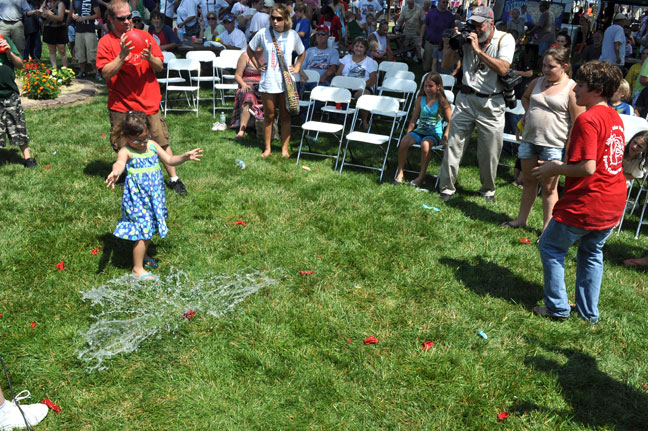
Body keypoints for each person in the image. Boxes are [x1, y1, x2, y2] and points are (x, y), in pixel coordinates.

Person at [532, 60, 625, 323]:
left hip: (588, 202)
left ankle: (557, 308)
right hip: (613, 203)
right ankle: (588, 314)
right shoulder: (614, 116)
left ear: (597, 90)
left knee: (550, 246)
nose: (574, 92)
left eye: (580, 87)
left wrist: (555, 168)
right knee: (592, 252)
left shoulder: (588, 119)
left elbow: (587, 168)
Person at [98, 0, 189, 195]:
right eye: (122, 19)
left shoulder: (145, 36)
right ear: (111, 19)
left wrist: (149, 57)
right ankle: (128, 174)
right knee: (121, 142)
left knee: (161, 141)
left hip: (148, 101)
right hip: (120, 103)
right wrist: (122, 55)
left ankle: (174, 178)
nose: (128, 21)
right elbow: (106, 73)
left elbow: (159, 66)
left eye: (130, 17)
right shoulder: (106, 42)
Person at [105, 111, 203, 280]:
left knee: (149, 228)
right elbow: (119, 163)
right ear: (126, 135)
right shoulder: (126, 151)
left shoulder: (152, 145)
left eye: (145, 138)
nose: (142, 143)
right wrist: (115, 172)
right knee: (144, 231)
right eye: (137, 140)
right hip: (137, 200)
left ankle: (142, 256)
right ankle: (137, 268)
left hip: (154, 198)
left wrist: (184, 157)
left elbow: (170, 160)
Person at [437, 6, 515, 202]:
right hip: (465, 98)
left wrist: (477, 50)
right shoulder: (466, 37)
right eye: (473, 25)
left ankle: (488, 189)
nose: (476, 30)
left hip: (492, 101)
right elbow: (446, 66)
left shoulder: (505, 39)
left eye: (480, 26)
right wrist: (450, 46)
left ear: (490, 24)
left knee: (489, 151)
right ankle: (446, 187)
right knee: (453, 143)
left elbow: (504, 69)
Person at [501, 47, 583, 232]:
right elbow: (525, 97)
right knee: (528, 181)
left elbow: (578, 122)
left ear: (564, 66)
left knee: (548, 189)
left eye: (551, 66)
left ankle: (547, 229)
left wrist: (569, 150)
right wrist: (529, 112)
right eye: (544, 65)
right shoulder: (537, 82)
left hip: (554, 144)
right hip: (530, 139)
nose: (546, 69)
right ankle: (521, 220)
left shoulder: (572, 89)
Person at [247, 3, 305, 157]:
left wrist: (297, 67)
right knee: (269, 116)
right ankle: (267, 148)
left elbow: (302, 52)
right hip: (269, 80)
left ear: (286, 19)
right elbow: (250, 49)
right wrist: (258, 65)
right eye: (272, 18)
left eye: (279, 18)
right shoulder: (263, 33)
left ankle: (284, 149)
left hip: (286, 82)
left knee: (286, 116)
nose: (275, 21)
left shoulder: (293, 35)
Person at [394, 73, 452, 186]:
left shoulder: (442, 101)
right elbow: (414, 118)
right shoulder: (421, 99)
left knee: (425, 145)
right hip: (419, 131)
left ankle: (421, 177)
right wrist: (409, 132)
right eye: (425, 86)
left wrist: (445, 137)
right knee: (404, 141)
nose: (427, 89)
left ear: (438, 86)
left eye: (430, 86)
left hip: (433, 134)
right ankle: (400, 172)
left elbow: (451, 121)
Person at [0, 34, 38, 168]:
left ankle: (27, 158)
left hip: (10, 94)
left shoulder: (4, 41)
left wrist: (9, 51)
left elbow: (20, 65)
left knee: (18, 125)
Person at [336, 36, 377, 129]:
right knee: (339, 92)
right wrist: (341, 79)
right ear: (353, 47)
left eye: (361, 47)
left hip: (361, 87)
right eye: (357, 46)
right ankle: (341, 117)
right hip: (345, 86)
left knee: (364, 96)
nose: (358, 48)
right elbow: (338, 73)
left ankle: (364, 121)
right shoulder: (346, 58)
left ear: (365, 49)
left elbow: (374, 78)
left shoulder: (369, 61)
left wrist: (362, 85)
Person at [231, 49, 263, 140]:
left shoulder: (268, 56)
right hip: (247, 86)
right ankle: (242, 130)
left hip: (263, 87)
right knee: (248, 97)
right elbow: (237, 75)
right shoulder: (245, 56)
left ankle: (264, 127)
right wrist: (243, 84)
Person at [70, 0, 101, 79]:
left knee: (92, 52)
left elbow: (98, 14)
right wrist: (74, 16)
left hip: (90, 30)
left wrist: (84, 18)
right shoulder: (75, 1)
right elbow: (72, 12)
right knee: (80, 52)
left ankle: (97, 72)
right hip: (79, 30)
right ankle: (82, 71)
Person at [420, 0, 454, 73]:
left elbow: (452, 30)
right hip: (429, 43)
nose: (445, 4)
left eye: (446, 2)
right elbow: (424, 25)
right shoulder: (431, 12)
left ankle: (437, 81)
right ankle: (426, 80)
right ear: (438, 2)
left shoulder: (450, 16)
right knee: (427, 66)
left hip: (442, 46)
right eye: (443, 2)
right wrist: (420, 39)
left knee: (440, 67)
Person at [42, 0, 69, 69]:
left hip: (59, 29)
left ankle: (65, 69)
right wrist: (43, 14)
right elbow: (41, 13)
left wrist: (49, 15)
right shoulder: (46, 3)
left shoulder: (60, 3)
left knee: (62, 50)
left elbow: (60, 18)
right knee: (52, 50)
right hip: (49, 28)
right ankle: (54, 69)